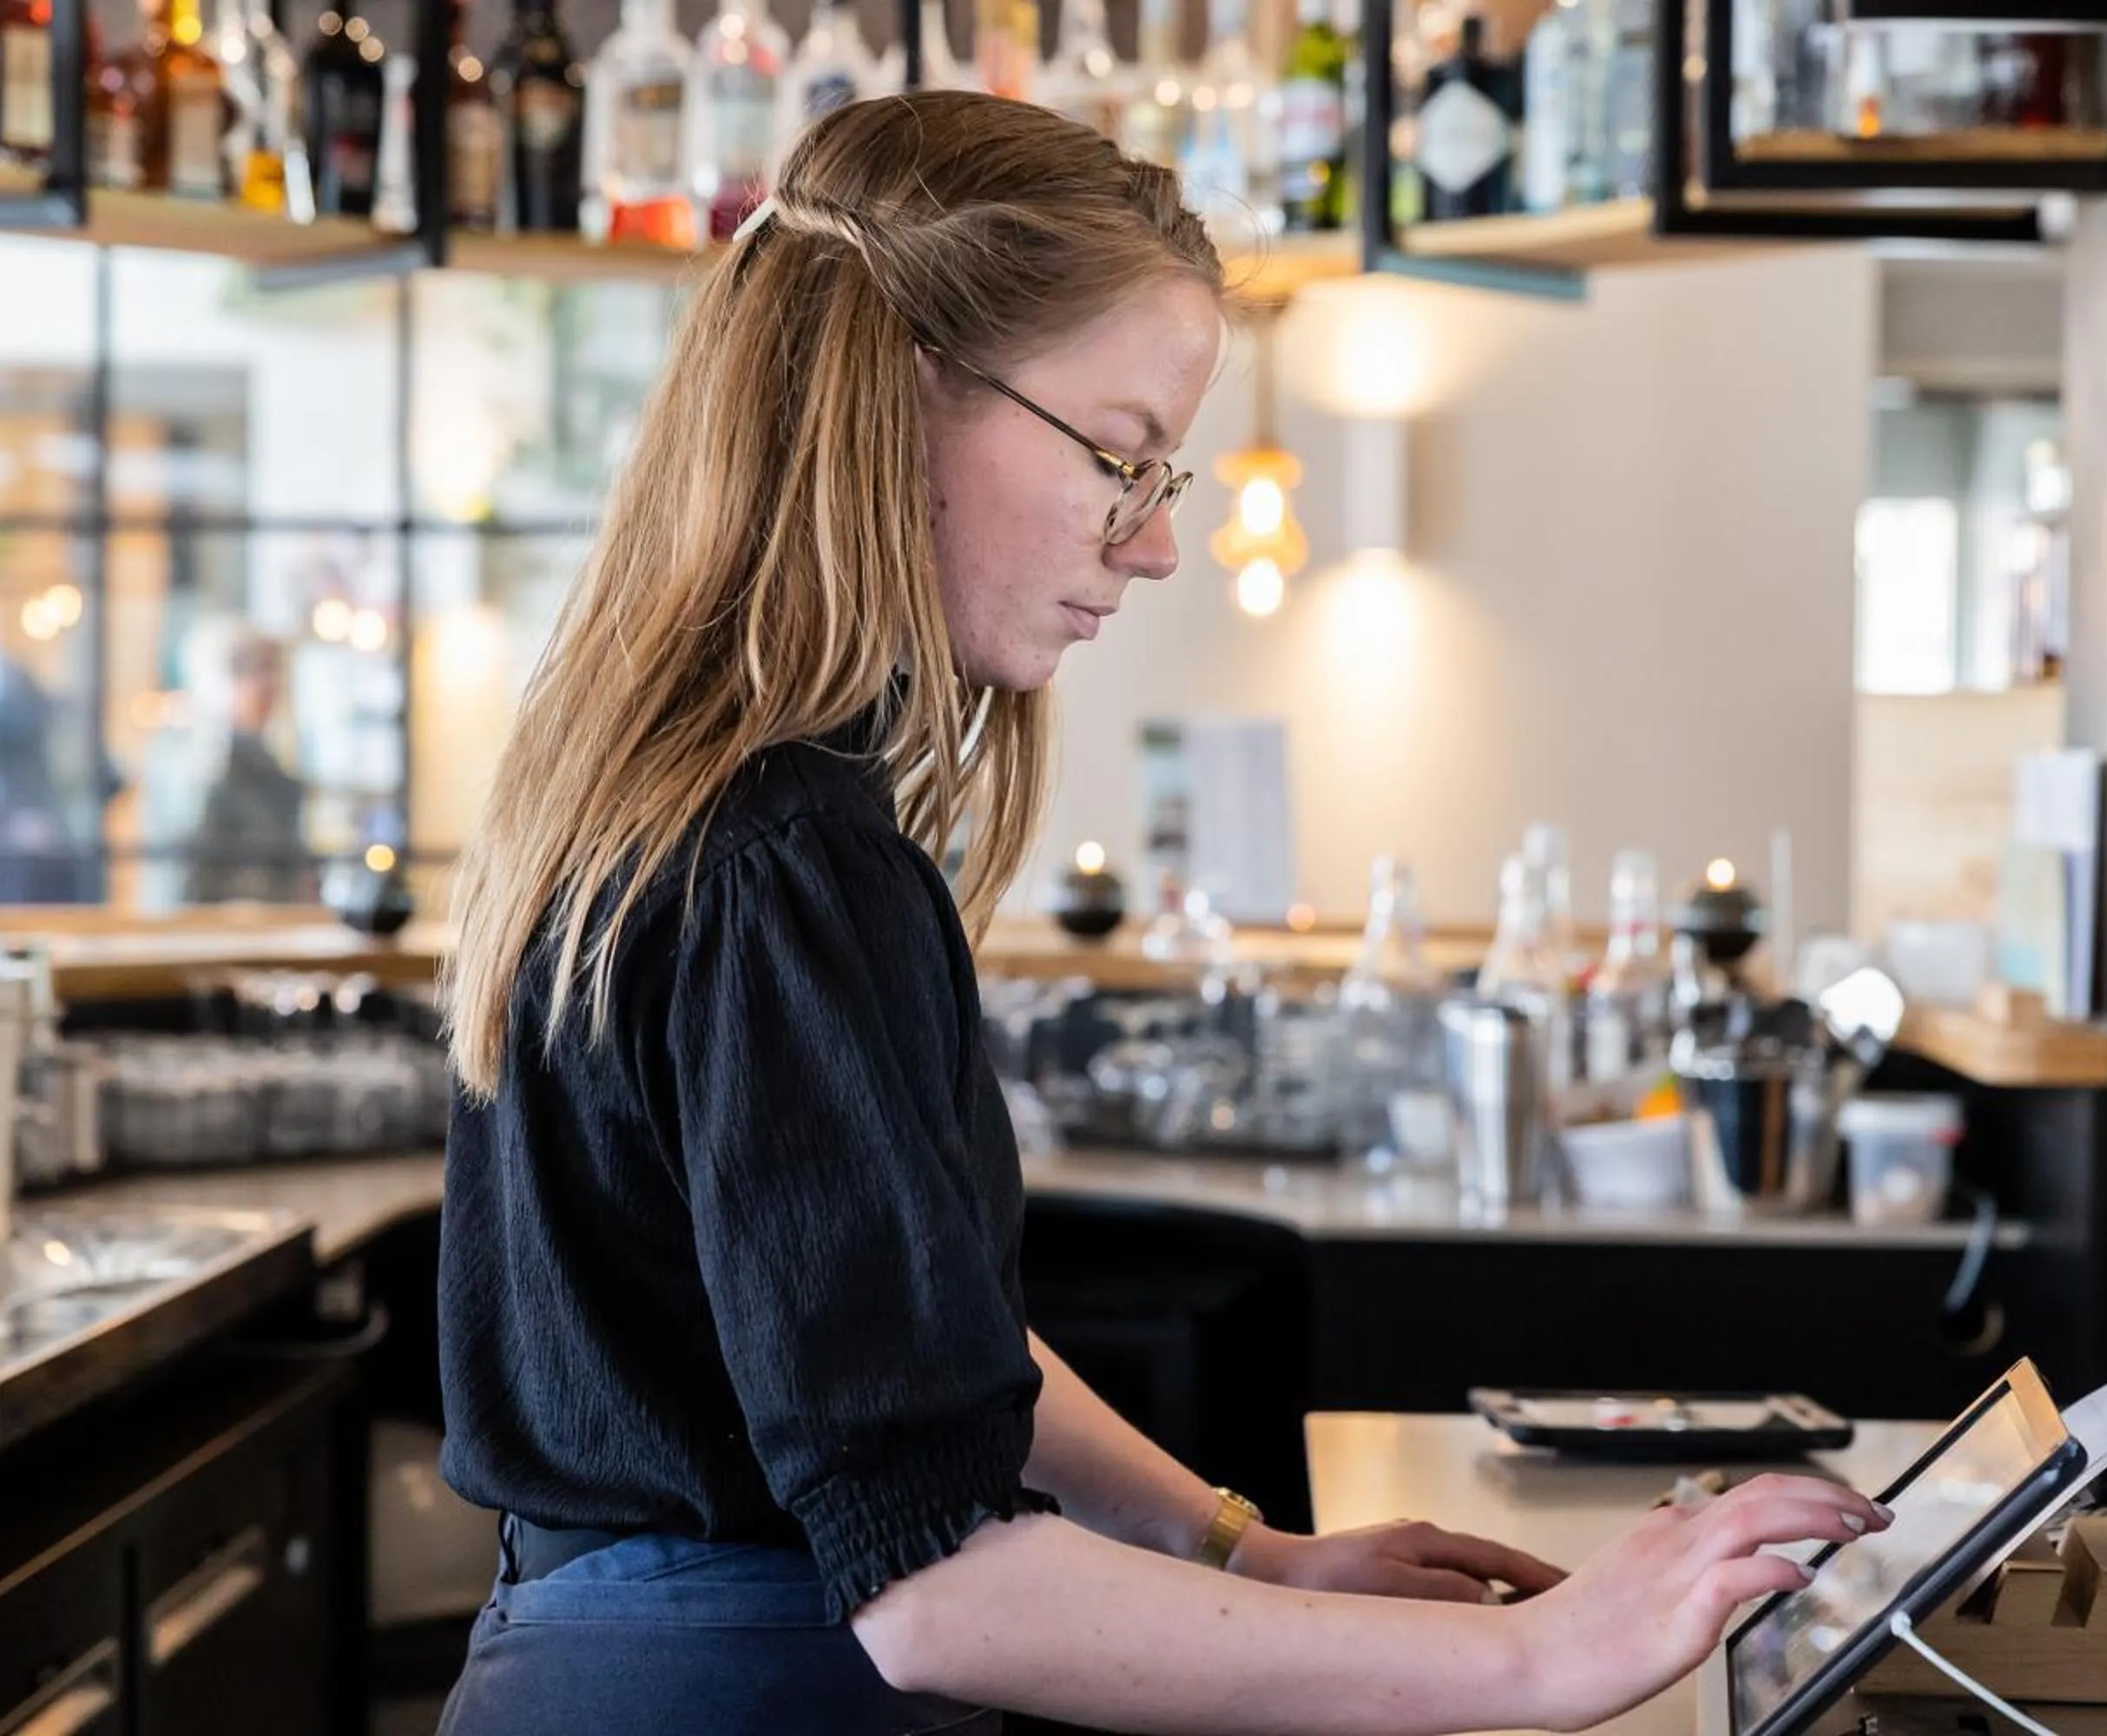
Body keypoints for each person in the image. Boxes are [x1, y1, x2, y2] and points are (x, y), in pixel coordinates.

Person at [433, 91, 1886, 1736]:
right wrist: (1537, 1661)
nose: (1160, 545)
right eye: (1120, 458)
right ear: (900, 396)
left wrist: (1244, 1550)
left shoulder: (707, 801)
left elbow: (914, 1360)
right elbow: (935, 1589)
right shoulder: (783, 863)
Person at [180, 626, 314, 905]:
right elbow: (191, 877)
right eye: (256, 672)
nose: (269, 686)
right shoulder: (206, 768)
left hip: (281, 924)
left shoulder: (275, 765)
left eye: (273, 672)